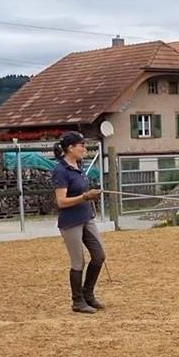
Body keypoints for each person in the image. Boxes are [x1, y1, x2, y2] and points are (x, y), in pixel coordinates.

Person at [51, 131, 106, 314]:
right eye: (81, 145)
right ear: (70, 148)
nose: (84, 148)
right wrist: (84, 196)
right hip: (71, 221)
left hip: (86, 217)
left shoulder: (78, 166)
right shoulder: (61, 171)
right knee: (78, 262)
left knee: (99, 256)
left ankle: (88, 294)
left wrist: (90, 195)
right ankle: (77, 301)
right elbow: (61, 202)